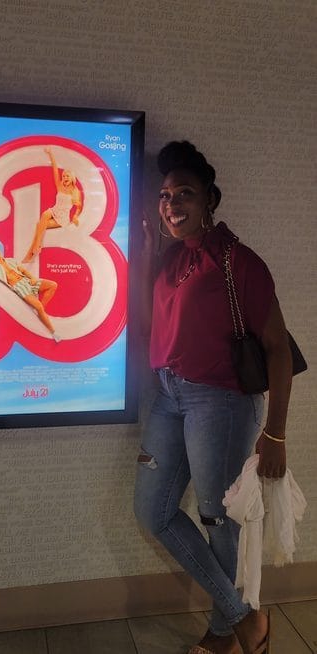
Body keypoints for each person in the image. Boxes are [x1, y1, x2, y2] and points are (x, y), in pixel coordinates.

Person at [134, 141, 292, 654]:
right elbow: (149, 325)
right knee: (153, 510)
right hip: (168, 395)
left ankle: (223, 634)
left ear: (210, 200)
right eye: (165, 196)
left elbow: (278, 350)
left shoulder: (239, 262)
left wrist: (275, 434)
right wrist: (146, 255)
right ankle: (246, 618)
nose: (172, 204)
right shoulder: (171, 260)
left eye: (184, 193)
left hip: (219, 403)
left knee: (217, 519)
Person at [0, 244, 61, 341]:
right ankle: (53, 332)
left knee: (53, 285)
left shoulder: (10, 260)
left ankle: (41, 313)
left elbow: (23, 270)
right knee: (39, 307)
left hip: (27, 280)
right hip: (19, 287)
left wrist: (32, 278)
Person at [22, 147, 82, 262]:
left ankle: (30, 255)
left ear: (72, 178)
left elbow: (78, 207)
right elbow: (54, 168)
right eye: (64, 176)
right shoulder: (60, 186)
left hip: (62, 218)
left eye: (67, 176)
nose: (65, 178)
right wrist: (51, 154)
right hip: (54, 210)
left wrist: (75, 216)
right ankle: (37, 247)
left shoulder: (75, 192)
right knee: (45, 214)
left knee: (39, 225)